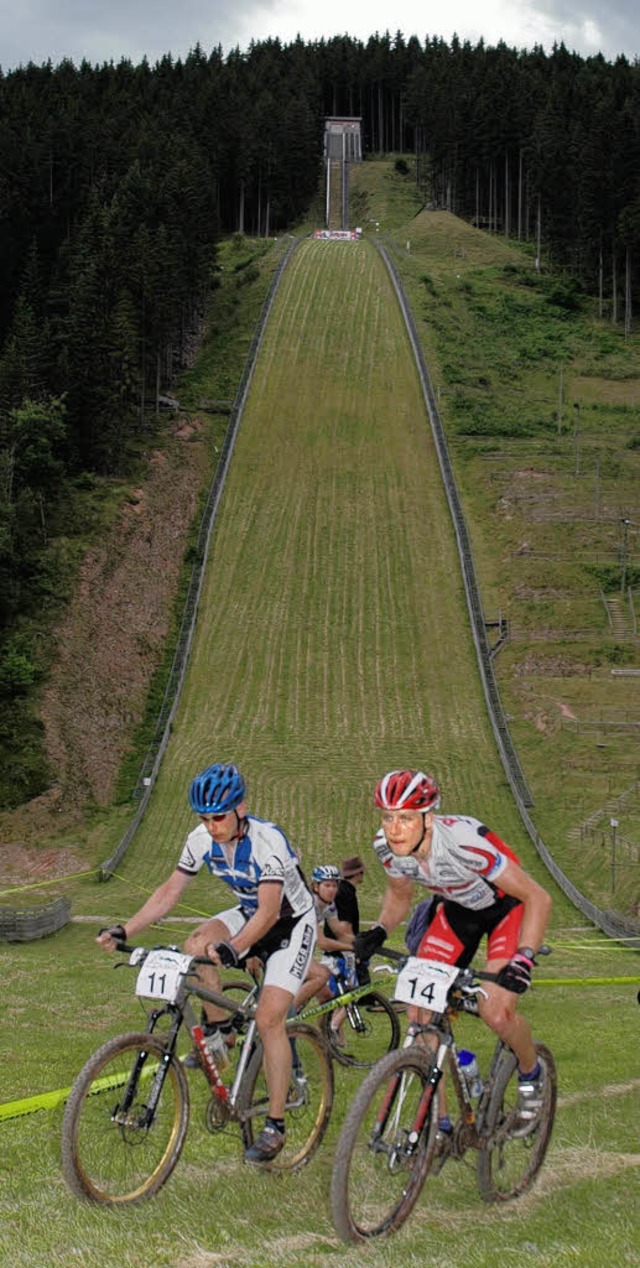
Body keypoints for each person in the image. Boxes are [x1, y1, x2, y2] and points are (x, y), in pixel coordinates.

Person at [97, 761, 316, 1164]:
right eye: (205, 818)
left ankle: (276, 1124)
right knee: (196, 945)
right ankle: (220, 1036)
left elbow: (269, 912)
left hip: (289, 924)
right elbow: (169, 892)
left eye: (219, 817)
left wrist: (236, 946)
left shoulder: (269, 842)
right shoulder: (200, 839)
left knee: (269, 1019)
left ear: (241, 808)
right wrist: (126, 929)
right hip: (249, 912)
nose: (212, 825)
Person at [354, 769, 552, 1129]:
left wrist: (524, 957)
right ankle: (441, 1122)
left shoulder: (463, 842)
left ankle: (531, 1073)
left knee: (495, 1013)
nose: (394, 828)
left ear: (429, 818)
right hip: (458, 911)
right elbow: (400, 895)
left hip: (508, 908)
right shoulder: (388, 847)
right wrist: (380, 930)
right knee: (419, 1014)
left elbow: (537, 896)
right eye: (388, 817)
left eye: (406, 818)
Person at [294, 865, 355, 1017]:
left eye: (334, 885)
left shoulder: (329, 905)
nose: (332, 889)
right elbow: (322, 943)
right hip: (285, 951)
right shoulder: (309, 904)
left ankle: (326, 1039)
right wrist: (351, 948)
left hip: (299, 953)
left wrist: (360, 942)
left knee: (327, 999)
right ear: (315, 886)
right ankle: (285, 1015)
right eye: (327, 885)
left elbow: (338, 931)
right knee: (322, 975)